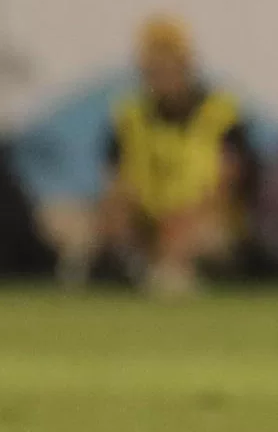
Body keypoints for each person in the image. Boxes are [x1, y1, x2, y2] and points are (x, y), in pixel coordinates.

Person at [97, 15, 253, 296]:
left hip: (202, 219)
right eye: (155, 66)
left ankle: (179, 271)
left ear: (187, 65)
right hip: (147, 219)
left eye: (170, 63)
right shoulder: (128, 115)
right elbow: (116, 184)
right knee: (89, 223)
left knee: (211, 235)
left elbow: (227, 187)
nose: (164, 74)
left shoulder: (221, 112)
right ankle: (135, 267)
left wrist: (181, 224)